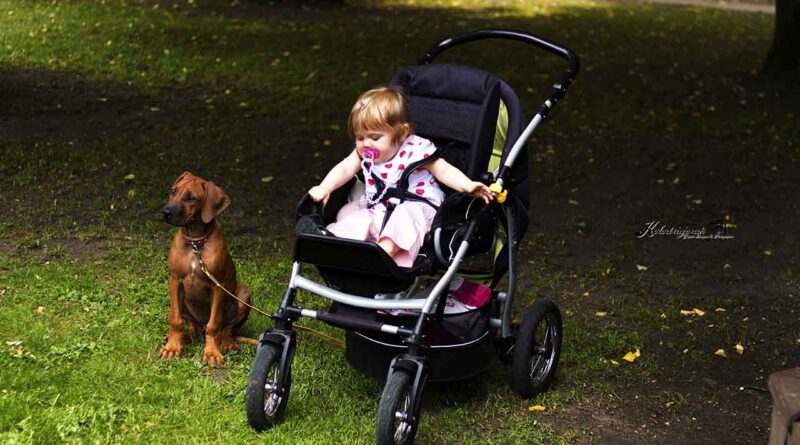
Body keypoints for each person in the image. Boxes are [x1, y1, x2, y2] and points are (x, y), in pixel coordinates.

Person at [307, 86, 494, 267]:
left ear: (402, 133)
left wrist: (467, 185)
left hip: (420, 208)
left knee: (405, 218)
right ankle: (337, 243)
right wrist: (325, 187)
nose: (366, 144)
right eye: (360, 137)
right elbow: (346, 168)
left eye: (374, 137)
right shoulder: (363, 154)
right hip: (380, 208)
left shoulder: (416, 150)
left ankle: (384, 252)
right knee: (357, 217)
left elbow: (443, 170)